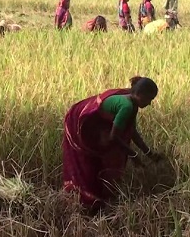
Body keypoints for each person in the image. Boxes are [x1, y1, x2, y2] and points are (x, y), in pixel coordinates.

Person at [62, 76, 162, 211]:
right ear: (139, 95)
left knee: (100, 161)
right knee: (86, 163)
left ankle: (97, 198)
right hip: (79, 125)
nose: (149, 103)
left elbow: (132, 131)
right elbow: (113, 136)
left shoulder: (131, 103)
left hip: (96, 126)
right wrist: (133, 155)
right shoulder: (126, 107)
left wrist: (149, 153)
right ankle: (87, 200)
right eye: (149, 99)